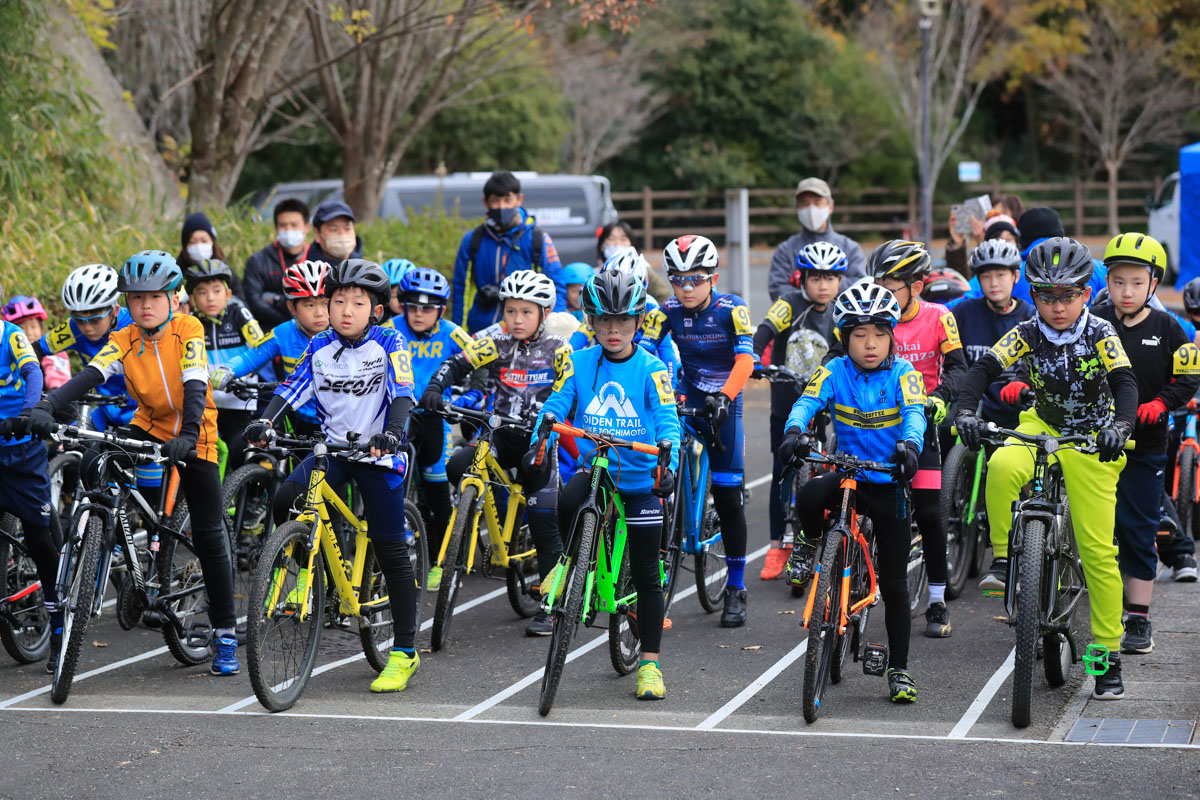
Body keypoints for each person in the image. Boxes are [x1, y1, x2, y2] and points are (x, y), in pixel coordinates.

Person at [23, 251, 240, 675]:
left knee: (211, 534)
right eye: (136, 298)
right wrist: (49, 404)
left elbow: (196, 381)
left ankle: (226, 633)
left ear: (173, 298)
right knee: (96, 458)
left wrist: (190, 434)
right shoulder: (125, 337)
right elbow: (93, 374)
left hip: (197, 434)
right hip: (148, 425)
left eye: (153, 297)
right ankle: (112, 540)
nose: (144, 305)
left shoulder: (188, 328)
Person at [956, 237, 1137, 701]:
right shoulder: (1027, 331)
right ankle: (1002, 558)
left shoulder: (1100, 332)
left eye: (1070, 295)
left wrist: (1120, 424)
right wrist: (965, 411)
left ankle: (1107, 657)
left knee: (1098, 553)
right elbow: (984, 370)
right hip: (1042, 425)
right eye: (1047, 296)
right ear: (1032, 294)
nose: (1059, 307)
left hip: (1093, 436)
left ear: (1085, 292)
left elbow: (1124, 382)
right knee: (1000, 464)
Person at [246, 259, 420, 693]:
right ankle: (301, 571)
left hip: (379, 454)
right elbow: (291, 388)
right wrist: (266, 423)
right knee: (286, 495)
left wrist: (393, 434)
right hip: (334, 450)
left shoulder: (391, 341)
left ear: (375, 310)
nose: (344, 310)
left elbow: (402, 394)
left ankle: (404, 651)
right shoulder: (321, 343)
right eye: (337, 300)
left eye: (357, 303)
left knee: (391, 551)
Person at [530, 269, 681, 700]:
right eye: (604, 321)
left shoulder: (652, 368)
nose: (613, 331)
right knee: (566, 502)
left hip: (638, 476)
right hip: (597, 466)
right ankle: (570, 567)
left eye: (623, 321)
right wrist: (545, 422)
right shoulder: (578, 363)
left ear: (638, 321)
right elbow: (559, 400)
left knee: (649, 575)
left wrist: (667, 447)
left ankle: (649, 664)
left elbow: (668, 418)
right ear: (590, 322)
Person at [778, 281, 926, 703]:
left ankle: (899, 669)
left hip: (887, 481)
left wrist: (910, 447)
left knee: (895, 585)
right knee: (807, 495)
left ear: (891, 336)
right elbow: (806, 403)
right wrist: (793, 431)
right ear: (845, 339)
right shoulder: (835, 370)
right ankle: (808, 546)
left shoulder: (904, 373)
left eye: (879, 334)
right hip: (847, 477)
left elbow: (915, 414)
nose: (870, 344)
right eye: (859, 335)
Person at [422, 270, 570, 636]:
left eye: (526, 312)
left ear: (544, 313)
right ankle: (479, 506)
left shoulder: (558, 348)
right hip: (499, 433)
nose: (516, 320)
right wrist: (435, 387)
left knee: (545, 527)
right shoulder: (497, 342)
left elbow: (570, 388)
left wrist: (551, 421)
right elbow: (457, 363)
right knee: (457, 464)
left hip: (538, 440)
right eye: (510, 311)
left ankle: (551, 606)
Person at [1091, 233, 1200, 654]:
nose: (1127, 291)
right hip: (1093, 441)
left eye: (1137, 282)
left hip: (1145, 445)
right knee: (1099, 529)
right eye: (1118, 281)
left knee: (1138, 530)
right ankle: (1099, 603)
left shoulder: (1169, 327)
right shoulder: (1093, 320)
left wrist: (1163, 402)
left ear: (1154, 283)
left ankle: (1138, 618)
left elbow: (1188, 377)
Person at [638, 235, 755, 627]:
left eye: (697, 279)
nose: (687, 288)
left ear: (714, 278)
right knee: (656, 473)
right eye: (678, 279)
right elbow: (644, 353)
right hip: (686, 394)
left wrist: (724, 396)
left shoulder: (731, 309)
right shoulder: (665, 310)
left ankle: (736, 587)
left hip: (725, 399)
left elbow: (745, 361)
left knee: (726, 497)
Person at [865, 240, 965, 638]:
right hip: (872, 424)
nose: (881, 294)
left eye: (890, 288)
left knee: (927, 513)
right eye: (879, 284)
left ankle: (937, 600)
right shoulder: (871, 315)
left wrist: (940, 398)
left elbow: (959, 369)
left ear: (916, 287)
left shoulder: (940, 317)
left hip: (921, 424)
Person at [750, 241, 844, 580]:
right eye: (815, 277)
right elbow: (765, 331)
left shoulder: (839, 311)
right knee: (782, 471)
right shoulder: (789, 303)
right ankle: (777, 546)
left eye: (831, 278)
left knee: (822, 472)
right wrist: (754, 356)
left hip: (820, 404)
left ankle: (812, 541)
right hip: (785, 403)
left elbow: (842, 345)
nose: (823, 285)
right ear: (801, 278)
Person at [389, 267, 476, 590]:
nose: (418, 314)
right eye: (412, 306)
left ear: (440, 309)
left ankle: (440, 562)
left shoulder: (453, 333)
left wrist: (469, 396)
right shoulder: (390, 329)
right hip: (399, 418)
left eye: (427, 308)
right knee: (393, 484)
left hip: (434, 421)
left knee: (438, 493)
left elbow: (484, 363)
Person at [0, 282, 60, 672]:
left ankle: (57, 624)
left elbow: (32, 372)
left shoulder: (12, 334)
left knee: (39, 539)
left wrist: (28, 411)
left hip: (21, 450)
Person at [209, 260, 332, 437]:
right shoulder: (283, 333)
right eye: (309, 305)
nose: (319, 312)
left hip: (336, 421)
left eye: (325, 303)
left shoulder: (343, 335)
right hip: (297, 415)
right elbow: (250, 358)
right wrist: (228, 369)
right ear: (292, 307)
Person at [451, 170, 566, 333]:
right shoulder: (472, 240)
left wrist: (550, 331)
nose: (501, 206)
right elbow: (460, 292)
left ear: (519, 199)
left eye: (507, 200)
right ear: (486, 202)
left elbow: (556, 287)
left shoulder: (538, 239)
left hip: (526, 333)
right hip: (481, 332)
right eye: (495, 201)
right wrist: (459, 335)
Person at [183, 259, 268, 474]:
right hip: (204, 402)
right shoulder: (191, 322)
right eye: (202, 292)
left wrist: (243, 374)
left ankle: (251, 498)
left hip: (238, 404)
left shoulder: (240, 314)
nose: (210, 297)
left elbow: (261, 349)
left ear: (228, 294)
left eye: (216, 290)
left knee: (239, 450)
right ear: (192, 299)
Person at [33, 264, 136, 431]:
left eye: (95, 320)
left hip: (142, 414)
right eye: (80, 320)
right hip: (106, 411)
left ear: (113, 311)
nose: (87, 328)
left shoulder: (133, 326)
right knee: (70, 448)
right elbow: (35, 350)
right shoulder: (73, 329)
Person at [953, 240, 1034, 431]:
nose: (994, 283)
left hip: (1019, 409)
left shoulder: (1031, 317)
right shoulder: (963, 313)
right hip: (975, 406)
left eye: (1000, 275)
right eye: (986, 276)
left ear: (1015, 276)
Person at [571, 250, 679, 384]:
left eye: (623, 317)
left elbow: (665, 348)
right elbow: (580, 335)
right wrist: (567, 357)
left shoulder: (651, 307)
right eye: (605, 317)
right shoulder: (596, 307)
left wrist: (671, 383)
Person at [767, 177, 866, 301]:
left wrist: (805, 283)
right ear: (797, 207)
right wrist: (808, 294)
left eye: (817, 202)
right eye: (805, 203)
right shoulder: (785, 250)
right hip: (798, 319)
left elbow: (861, 287)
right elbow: (777, 290)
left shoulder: (850, 248)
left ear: (830, 206)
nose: (811, 209)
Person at [243, 198, 313, 329]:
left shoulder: (316, 259)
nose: (288, 230)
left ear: (307, 227)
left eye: (294, 225)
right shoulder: (258, 261)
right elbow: (253, 302)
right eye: (283, 225)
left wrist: (274, 300)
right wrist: (291, 322)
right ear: (276, 228)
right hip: (272, 330)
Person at [2, 297, 70, 389]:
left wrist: (55, 388)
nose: (28, 332)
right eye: (21, 328)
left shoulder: (53, 351)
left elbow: (58, 378)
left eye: (33, 327)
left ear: (41, 328)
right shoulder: (4, 354)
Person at [178, 212, 243, 299]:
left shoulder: (227, 273)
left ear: (212, 242)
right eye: (192, 242)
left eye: (204, 241)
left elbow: (241, 302)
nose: (199, 246)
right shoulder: (176, 275)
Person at [307, 200, 363, 266]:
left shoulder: (369, 271)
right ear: (317, 234)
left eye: (347, 228)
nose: (342, 234)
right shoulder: (306, 273)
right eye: (334, 229)